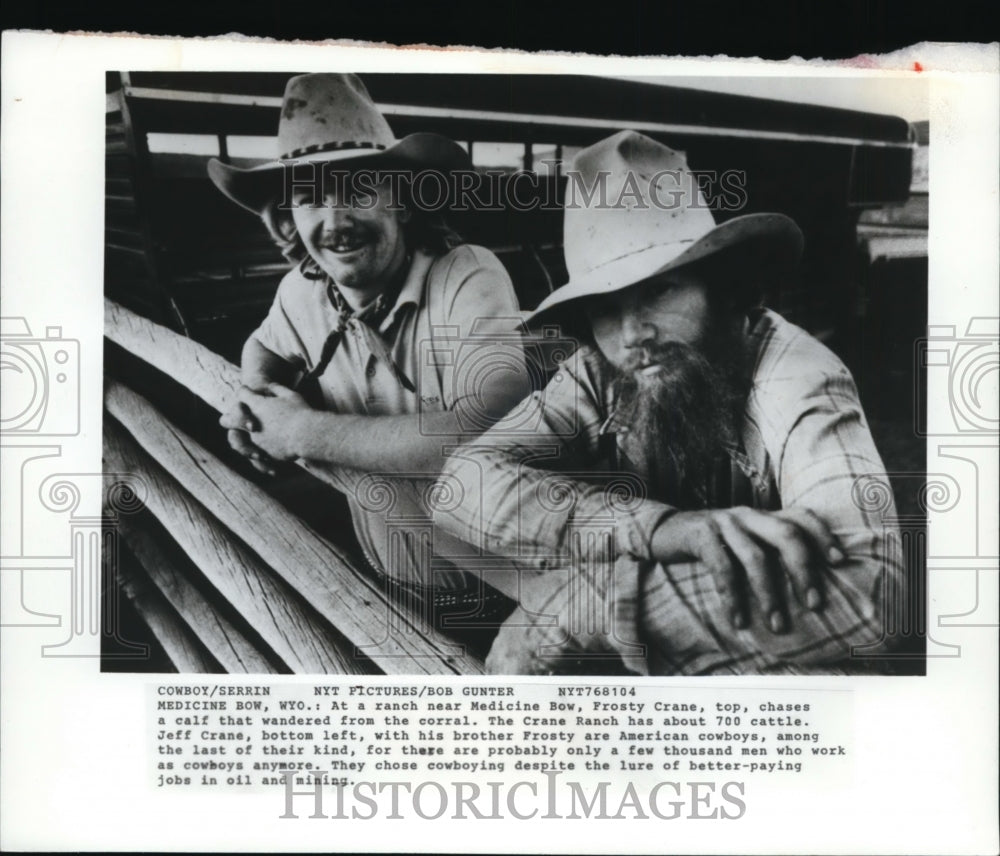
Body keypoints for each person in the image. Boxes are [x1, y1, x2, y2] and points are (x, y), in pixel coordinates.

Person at [433, 130, 905, 675]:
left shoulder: (799, 376)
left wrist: (586, 607)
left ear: (724, 286)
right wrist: (658, 530)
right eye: (606, 308)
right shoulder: (601, 371)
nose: (633, 334)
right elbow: (461, 484)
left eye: (660, 290)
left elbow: (874, 594)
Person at [209, 74, 531, 648]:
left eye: (357, 190)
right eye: (310, 198)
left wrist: (303, 431)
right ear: (287, 219)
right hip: (392, 577)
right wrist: (256, 394)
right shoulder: (303, 290)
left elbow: (486, 429)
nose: (334, 223)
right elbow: (263, 344)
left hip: (510, 591)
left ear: (402, 201)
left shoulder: (467, 273)